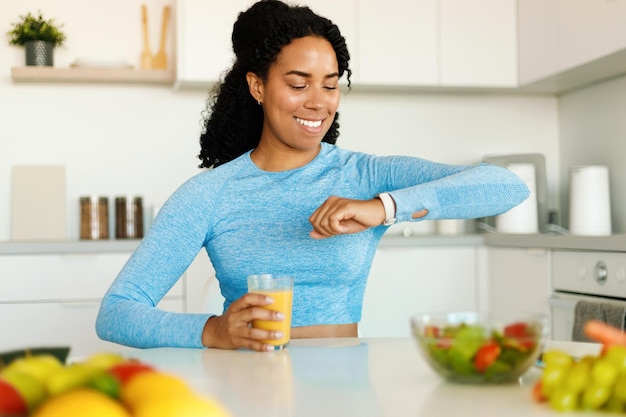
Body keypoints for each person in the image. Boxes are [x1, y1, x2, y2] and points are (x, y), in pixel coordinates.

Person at [96, 0, 530, 352]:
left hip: (345, 384)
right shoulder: (211, 193)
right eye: (298, 84)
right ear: (258, 87)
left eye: (330, 83)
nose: (319, 102)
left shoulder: (364, 176)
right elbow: (117, 312)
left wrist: (382, 208)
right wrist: (213, 331)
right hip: (247, 387)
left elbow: (505, 186)